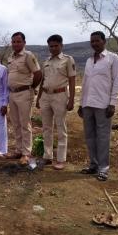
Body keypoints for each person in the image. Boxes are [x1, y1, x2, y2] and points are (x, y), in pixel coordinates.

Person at [78, 31, 118, 181]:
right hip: (87, 103)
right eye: (92, 41)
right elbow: (85, 83)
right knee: (90, 136)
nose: (94, 43)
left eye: (97, 41)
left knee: (103, 137)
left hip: (103, 104)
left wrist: (113, 103)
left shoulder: (112, 58)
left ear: (104, 41)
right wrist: (80, 103)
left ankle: (103, 169)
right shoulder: (90, 60)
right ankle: (93, 165)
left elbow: (116, 80)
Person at [36, 34, 76, 170]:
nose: (53, 48)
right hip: (46, 96)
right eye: (51, 46)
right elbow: (43, 81)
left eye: (55, 46)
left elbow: (72, 80)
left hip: (60, 95)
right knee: (46, 127)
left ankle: (60, 159)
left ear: (61, 46)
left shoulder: (68, 60)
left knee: (60, 127)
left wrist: (71, 100)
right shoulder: (46, 61)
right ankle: (47, 156)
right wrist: (38, 98)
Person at [7, 31, 42, 165]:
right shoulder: (11, 57)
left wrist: (31, 88)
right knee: (15, 123)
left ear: (24, 43)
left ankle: (26, 153)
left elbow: (38, 74)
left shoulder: (28, 56)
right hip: (12, 93)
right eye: (14, 42)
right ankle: (18, 150)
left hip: (24, 93)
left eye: (18, 41)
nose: (16, 44)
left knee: (25, 123)